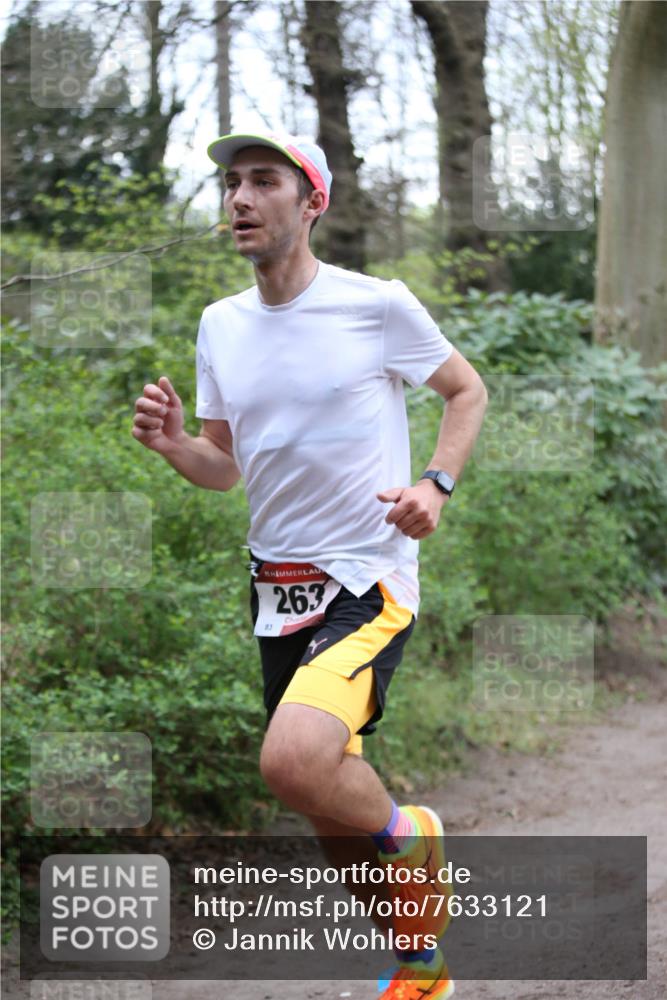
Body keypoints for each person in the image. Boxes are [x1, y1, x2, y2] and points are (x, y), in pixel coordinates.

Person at [132, 131, 488, 999]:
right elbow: (227, 468)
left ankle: (415, 832)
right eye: (232, 184)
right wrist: (177, 445)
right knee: (326, 811)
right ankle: (423, 970)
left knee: (291, 763)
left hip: (368, 579)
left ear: (311, 202)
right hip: (276, 595)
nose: (240, 198)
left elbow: (465, 391)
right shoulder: (220, 324)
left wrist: (434, 485)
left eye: (264, 182)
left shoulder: (375, 305)